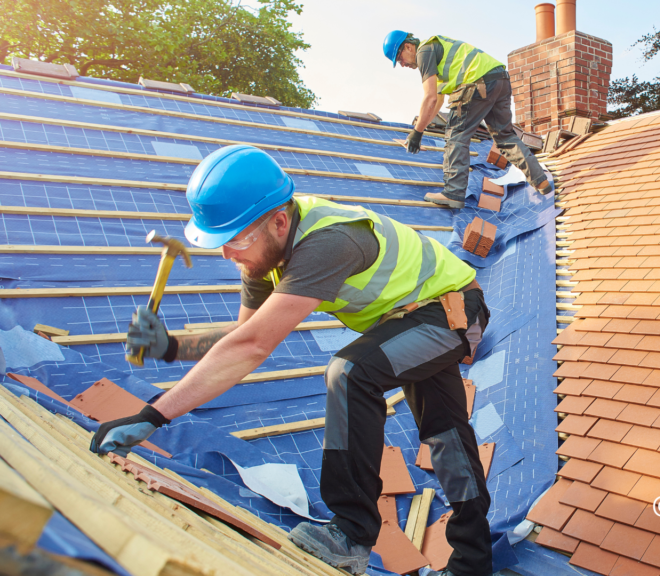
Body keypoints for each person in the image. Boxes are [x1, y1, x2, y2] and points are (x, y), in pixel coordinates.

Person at [89, 145, 493, 576]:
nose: (229, 254)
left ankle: (352, 534)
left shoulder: (328, 243)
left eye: (237, 240)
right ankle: (473, 563)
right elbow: (241, 337)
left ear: (279, 222)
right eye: (222, 243)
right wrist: (170, 347)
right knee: (446, 432)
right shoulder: (262, 256)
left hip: (452, 312)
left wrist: (153, 415)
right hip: (411, 318)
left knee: (350, 372)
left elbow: (252, 348)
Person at [383, 30, 551, 209]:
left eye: (400, 58)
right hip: (499, 79)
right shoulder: (438, 55)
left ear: (408, 46)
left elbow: (429, 97)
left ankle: (453, 192)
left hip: (477, 83)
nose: (402, 65)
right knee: (505, 137)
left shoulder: (424, 52)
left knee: (456, 135)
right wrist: (420, 130)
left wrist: (416, 133)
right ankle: (541, 181)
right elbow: (437, 101)